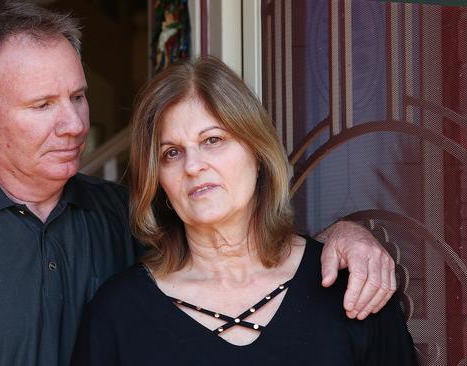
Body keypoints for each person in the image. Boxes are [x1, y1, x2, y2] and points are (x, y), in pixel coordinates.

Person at [0, 2, 396, 366]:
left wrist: (348, 236)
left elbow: (232, 239)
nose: (74, 123)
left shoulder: (119, 214)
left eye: (77, 97)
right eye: (43, 104)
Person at [71, 57, 417, 365]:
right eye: (171, 153)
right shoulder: (119, 314)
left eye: (213, 140)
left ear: (257, 152)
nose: (193, 166)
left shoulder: (352, 287)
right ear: (158, 181)